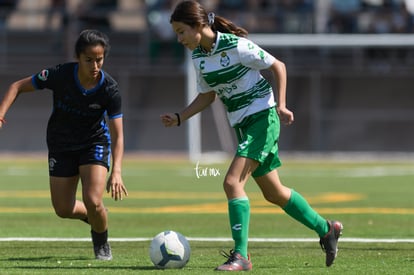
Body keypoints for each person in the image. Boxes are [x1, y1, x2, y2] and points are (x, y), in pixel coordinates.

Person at [161, 0, 343, 271]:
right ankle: (326, 229)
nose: (179, 39)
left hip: (262, 118)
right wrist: (180, 117)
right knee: (275, 193)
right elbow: (208, 95)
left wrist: (281, 105)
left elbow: (277, 66)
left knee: (232, 183)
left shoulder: (236, 46)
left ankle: (242, 256)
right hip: (243, 125)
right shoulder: (198, 56)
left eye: (181, 31)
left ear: (198, 26)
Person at [0, 29, 128, 261]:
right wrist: (1, 114)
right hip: (61, 145)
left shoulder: (110, 89)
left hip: (94, 144)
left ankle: (101, 243)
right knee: (63, 209)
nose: (95, 65)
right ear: (78, 57)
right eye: (89, 60)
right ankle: (98, 216)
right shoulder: (59, 75)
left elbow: (118, 135)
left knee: (93, 199)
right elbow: (17, 86)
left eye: (99, 59)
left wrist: (117, 171)